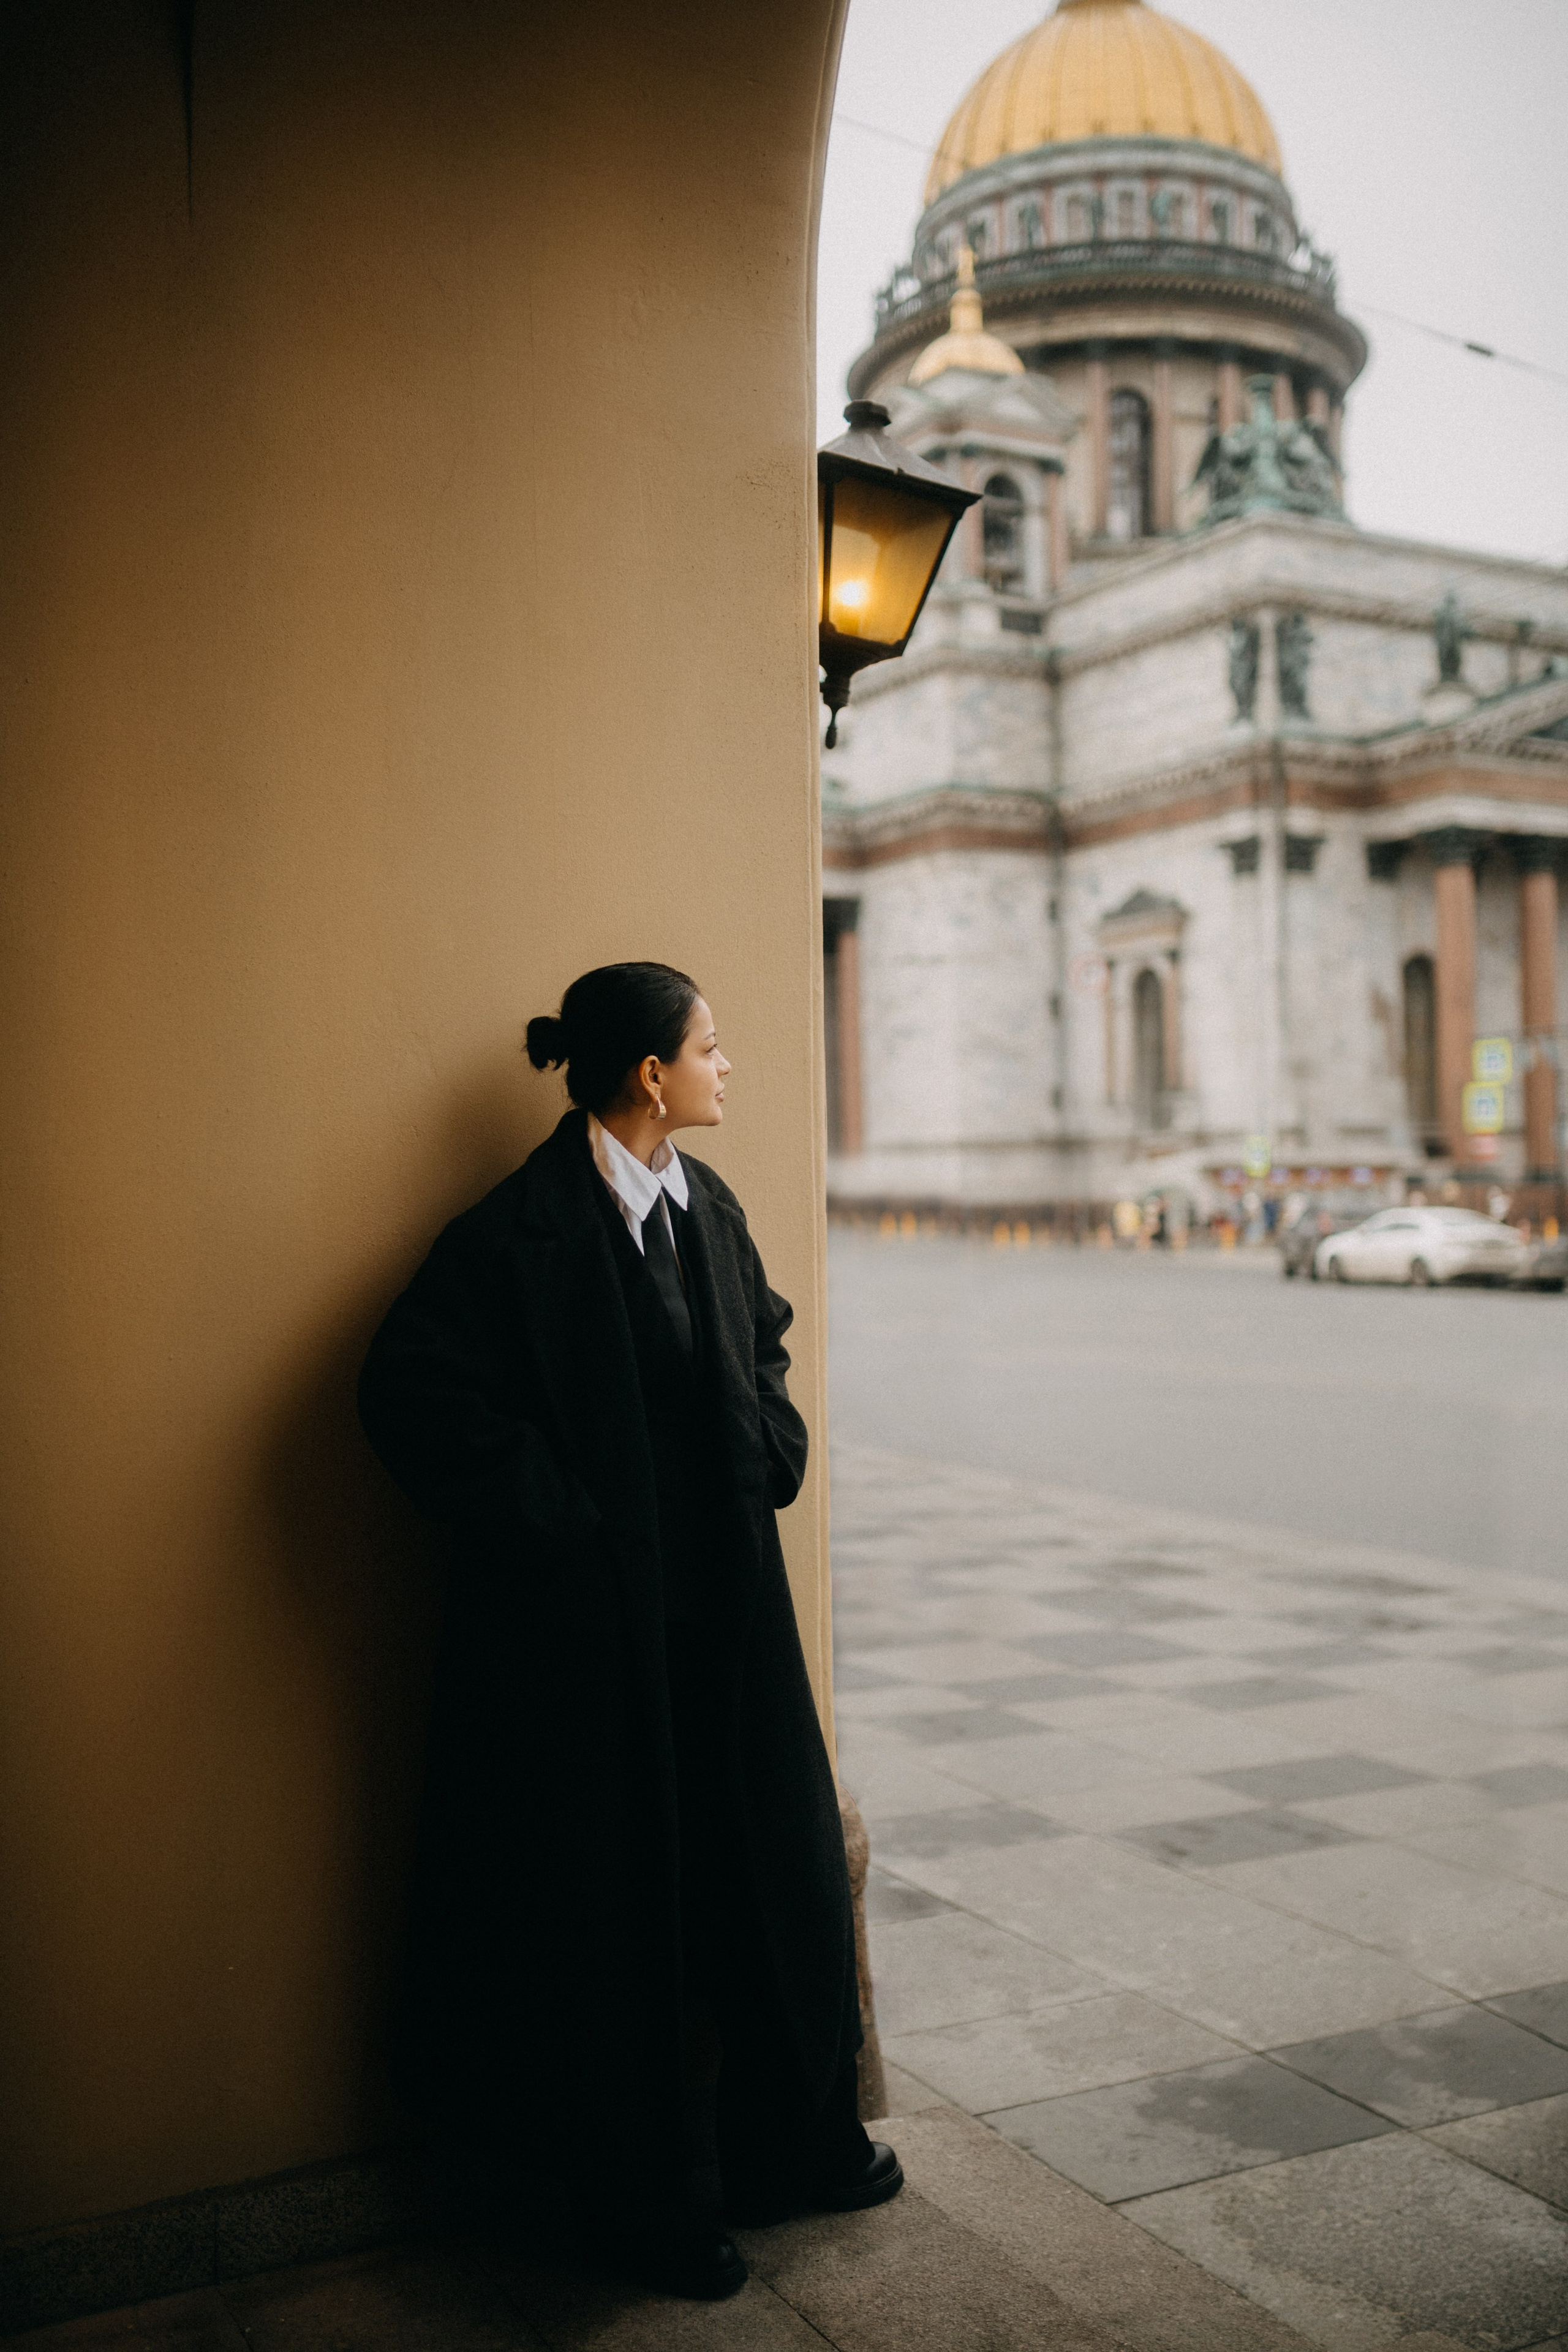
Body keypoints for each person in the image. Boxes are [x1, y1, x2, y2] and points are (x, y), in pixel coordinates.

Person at [358, 962, 900, 2302]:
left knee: (770, 1875)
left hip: (725, 1623)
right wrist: (563, 1526)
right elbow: (407, 1394)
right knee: (613, 1928)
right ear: (650, 1074)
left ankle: (792, 2150)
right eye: (710, 1048)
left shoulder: (705, 1206)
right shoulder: (513, 1232)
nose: (728, 1067)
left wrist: (767, 1442)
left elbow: (760, 1349)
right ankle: (634, 2212)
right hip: (586, 1655)